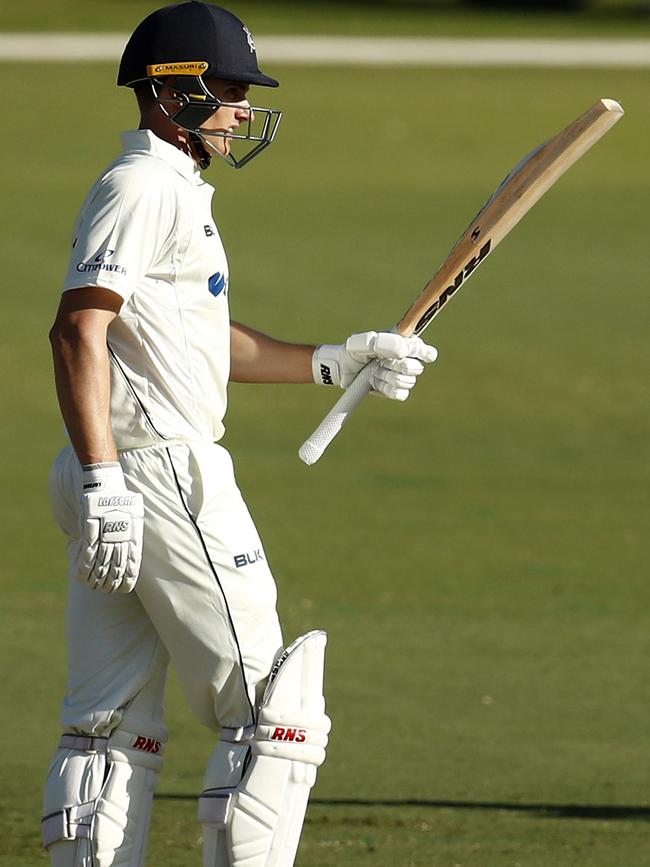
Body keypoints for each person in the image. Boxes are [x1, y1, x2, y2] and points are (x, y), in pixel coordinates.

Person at [42, 3, 438, 866]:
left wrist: (336, 361)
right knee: (272, 717)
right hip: (153, 474)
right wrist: (111, 480)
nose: (241, 108)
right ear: (171, 92)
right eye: (226, 89)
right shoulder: (143, 187)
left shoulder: (166, 189)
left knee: (108, 730)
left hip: (117, 473)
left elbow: (189, 336)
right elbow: (79, 330)